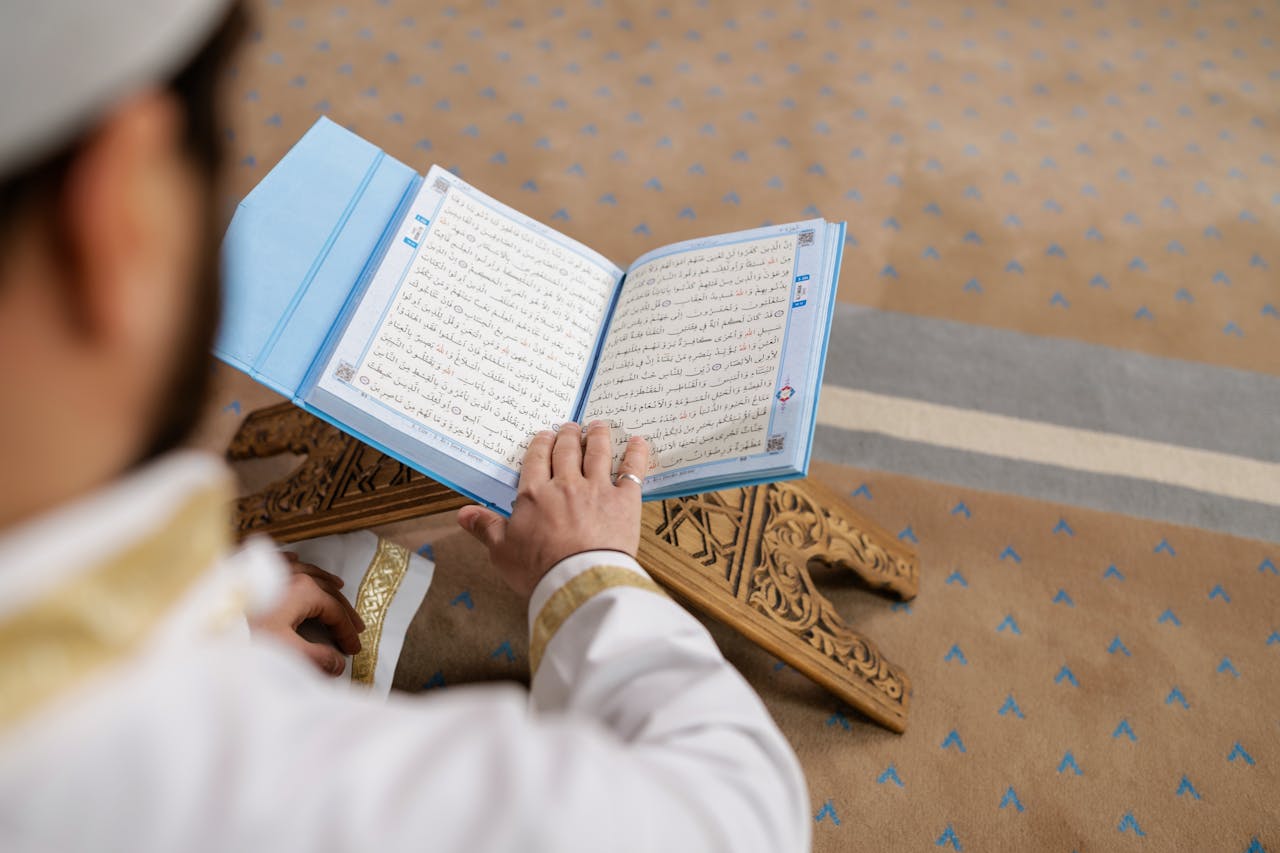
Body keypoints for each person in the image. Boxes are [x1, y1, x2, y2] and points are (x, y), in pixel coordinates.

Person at [0, 2, 810, 851]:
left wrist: (216, 627)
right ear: (116, 214)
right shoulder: (264, 782)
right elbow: (736, 813)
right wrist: (587, 571)